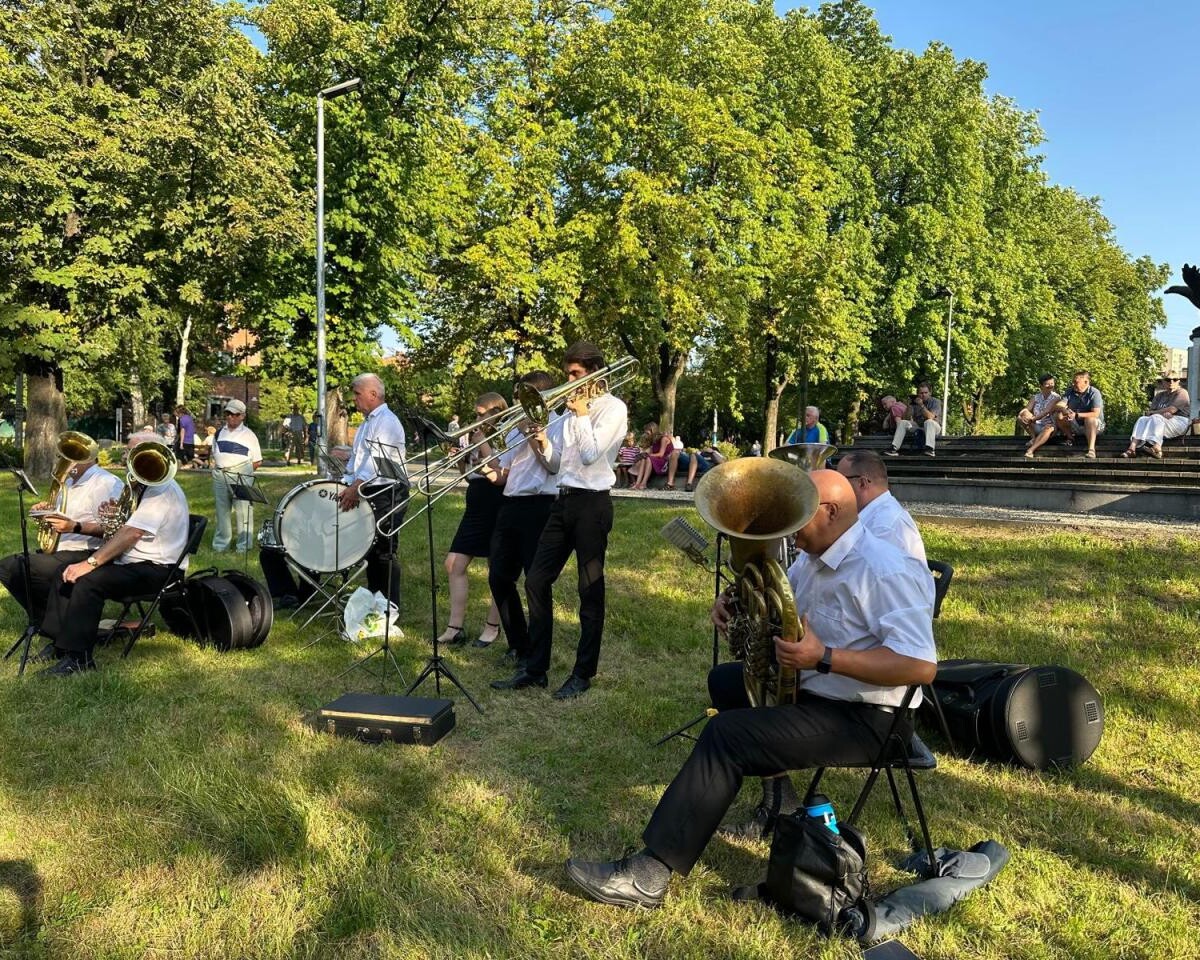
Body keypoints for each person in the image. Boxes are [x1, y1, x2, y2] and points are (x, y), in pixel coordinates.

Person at [564, 469, 937, 907]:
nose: (789, 528)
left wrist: (824, 657)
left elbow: (920, 666)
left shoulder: (885, 569)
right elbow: (778, 610)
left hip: (870, 719)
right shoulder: (811, 559)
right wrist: (734, 606)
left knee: (727, 735)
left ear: (832, 512)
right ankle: (779, 804)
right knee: (725, 683)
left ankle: (649, 875)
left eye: (800, 514)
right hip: (822, 692)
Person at [491, 341, 628, 699]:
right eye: (567, 374)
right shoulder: (568, 413)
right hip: (563, 501)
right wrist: (541, 441)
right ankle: (535, 668)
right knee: (536, 580)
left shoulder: (613, 408)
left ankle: (583, 673)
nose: (569, 381)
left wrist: (580, 414)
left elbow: (591, 453)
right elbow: (556, 464)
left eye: (575, 374)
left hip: (593, 504)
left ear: (595, 371)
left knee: (589, 589)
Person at [35, 466, 191, 676]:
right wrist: (113, 517)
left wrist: (90, 563)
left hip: (160, 570)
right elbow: (124, 528)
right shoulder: (141, 487)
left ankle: (79, 659)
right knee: (65, 571)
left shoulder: (161, 490)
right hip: (132, 562)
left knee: (88, 581)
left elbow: (132, 533)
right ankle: (59, 644)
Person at [0, 452, 124, 657]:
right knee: (7, 568)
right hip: (62, 548)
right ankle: (50, 622)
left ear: (87, 458)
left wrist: (74, 526)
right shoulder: (66, 483)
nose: (62, 460)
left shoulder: (106, 483)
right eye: (61, 455)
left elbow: (116, 530)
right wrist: (46, 513)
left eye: (69, 456)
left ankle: (60, 631)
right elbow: (63, 516)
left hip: (88, 551)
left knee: (20, 566)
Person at [488, 371, 561, 662]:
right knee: (498, 577)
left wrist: (531, 434)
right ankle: (518, 644)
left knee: (535, 582)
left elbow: (553, 467)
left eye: (522, 397)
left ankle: (536, 653)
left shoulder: (558, 423)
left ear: (538, 397)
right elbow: (505, 471)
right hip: (510, 504)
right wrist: (482, 463)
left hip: (539, 505)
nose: (517, 402)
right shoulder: (515, 426)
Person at [438, 392, 508, 647]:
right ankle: (454, 628)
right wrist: (461, 458)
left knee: (496, 568)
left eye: (481, 415)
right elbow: (469, 475)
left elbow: (500, 469)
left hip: (497, 501)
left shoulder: (506, 435)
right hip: (476, 502)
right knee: (453, 564)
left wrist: (482, 443)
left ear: (496, 413)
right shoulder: (476, 436)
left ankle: (492, 626)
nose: (476, 419)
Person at [340, 373, 407, 603]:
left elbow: (375, 463)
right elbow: (357, 459)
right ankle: (375, 598)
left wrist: (355, 487)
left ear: (373, 394)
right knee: (369, 546)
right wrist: (345, 482)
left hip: (388, 491)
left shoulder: (386, 421)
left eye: (357, 394)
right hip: (370, 489)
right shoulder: (366, 423)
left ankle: (389, 605)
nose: (354, 399)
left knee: (384, 548)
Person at [835, 450, 927, 563]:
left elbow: (860, 569)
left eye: (841, 480)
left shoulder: (884, 527)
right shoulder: (877, 513)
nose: (836, 487)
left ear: (862, 483)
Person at [210, 399, 262, 552]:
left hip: (241, 473)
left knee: (243, 511)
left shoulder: (249, 435)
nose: (231, 417)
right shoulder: (219, 432)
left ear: (242, 416)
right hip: (220, 474)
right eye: (228, 413)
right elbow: (214, 453)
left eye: (235, 414)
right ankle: (221, 545)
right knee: (222, 511)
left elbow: (257, 461)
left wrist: (244, 472)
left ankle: (243, 546)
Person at [1028, 370, 1104, 459]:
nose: (1073, 384)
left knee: (1090, 419)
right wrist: (1065, 410)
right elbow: (1058, 405)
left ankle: (1091, 450)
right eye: (1073, 381)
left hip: (1095, 426)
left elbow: (1095, 414)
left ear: (1086, 382)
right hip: (1076, 424)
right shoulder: (1070, 391)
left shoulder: (1094, 393)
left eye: (1076, 382)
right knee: (1059, 415)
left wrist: (1076, 415)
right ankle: (1070, 438)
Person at [1121, 375, 1190, 459]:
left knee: (1156, 417)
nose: (1171, 382)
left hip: (1179, 422)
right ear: (1163, 382)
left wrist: (1157, 413)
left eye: (1175, 379)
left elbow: (1172, 409)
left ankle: (1157, 448)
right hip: (1160, 421)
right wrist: (1161, 413)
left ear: (1178, 381)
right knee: (1142, 419)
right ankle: (1132, 449)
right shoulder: (1159, 395)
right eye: (1168, 380)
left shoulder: (1182, 393)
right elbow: (1149, 413)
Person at [884, 383, 942, 458]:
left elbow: (930, 417)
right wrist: (908, 406)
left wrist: (921, 405)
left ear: (930, 393)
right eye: (921, 393)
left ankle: (930, 449)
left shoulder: (935, 401)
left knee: (928, 422)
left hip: (933, 428)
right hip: (919, 427)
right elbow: (906, 418)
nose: (923, 395)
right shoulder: (916, 402)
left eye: (926, 393)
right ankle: (894, 448)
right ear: (918, 394)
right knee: (903, 422)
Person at [1017, 375, 1061, 457]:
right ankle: (1033, 438)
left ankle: (1031, 450)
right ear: (1041, 386)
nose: (1050, 386)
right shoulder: (1035, 397)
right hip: (1036, 423)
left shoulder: (1056, 397)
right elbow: (1027, 409)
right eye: (1047, 384)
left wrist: (1033, 419)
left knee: (1048, 428)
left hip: (1050, 425)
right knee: (1021, 417)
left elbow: (1046, 411)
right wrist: (1022, 413)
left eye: (1052, 383)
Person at [630, 423, 680, 491]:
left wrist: (647, 455)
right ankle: (637, 483)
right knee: (644, 459)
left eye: (647, 433)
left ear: (653, 431)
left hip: (665, 461)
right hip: (657, 459)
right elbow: (650, 452)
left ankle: (643, 483)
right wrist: (643, 455)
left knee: (648, 458)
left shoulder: (664, 439)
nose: (646, 434)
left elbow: (661, 454)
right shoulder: (654, 440)